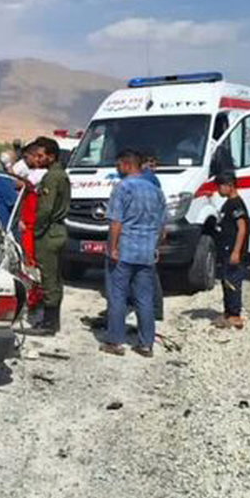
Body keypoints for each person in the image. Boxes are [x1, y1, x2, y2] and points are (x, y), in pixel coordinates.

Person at [100, 149, 165, 357]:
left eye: (118, 165)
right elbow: (163, 228)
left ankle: (115, 341)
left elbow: (116, 222)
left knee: (117, 296)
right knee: (144, 299)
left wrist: (113, 247)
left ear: (127, 165)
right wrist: (154, 247)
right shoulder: (156, 190)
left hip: (124, 251)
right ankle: (146, 344)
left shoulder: (123, 187)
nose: (117, 170)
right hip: (146, 253)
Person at [19, 136, 71, 336]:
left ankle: (49, 323)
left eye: (41, 155)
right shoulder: (61, 175)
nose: (38, 159)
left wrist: (37, 231)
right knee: (55, 278)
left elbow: (45, 209)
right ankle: (52, 320)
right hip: (58, 230)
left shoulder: (51, 177)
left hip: (49, 232)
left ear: (51, 156)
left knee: (49, 279)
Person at [214, 171, 250, 329]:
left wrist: (236, 251)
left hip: (233, 250)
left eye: (220, 186)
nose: (218, 190)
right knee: (226, 280)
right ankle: (228, 312)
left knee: (233, 281)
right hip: (225, 248)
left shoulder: (237, 204)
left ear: (229, 186)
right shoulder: (228, 203)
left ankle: (235, 315)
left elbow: (242, 228)